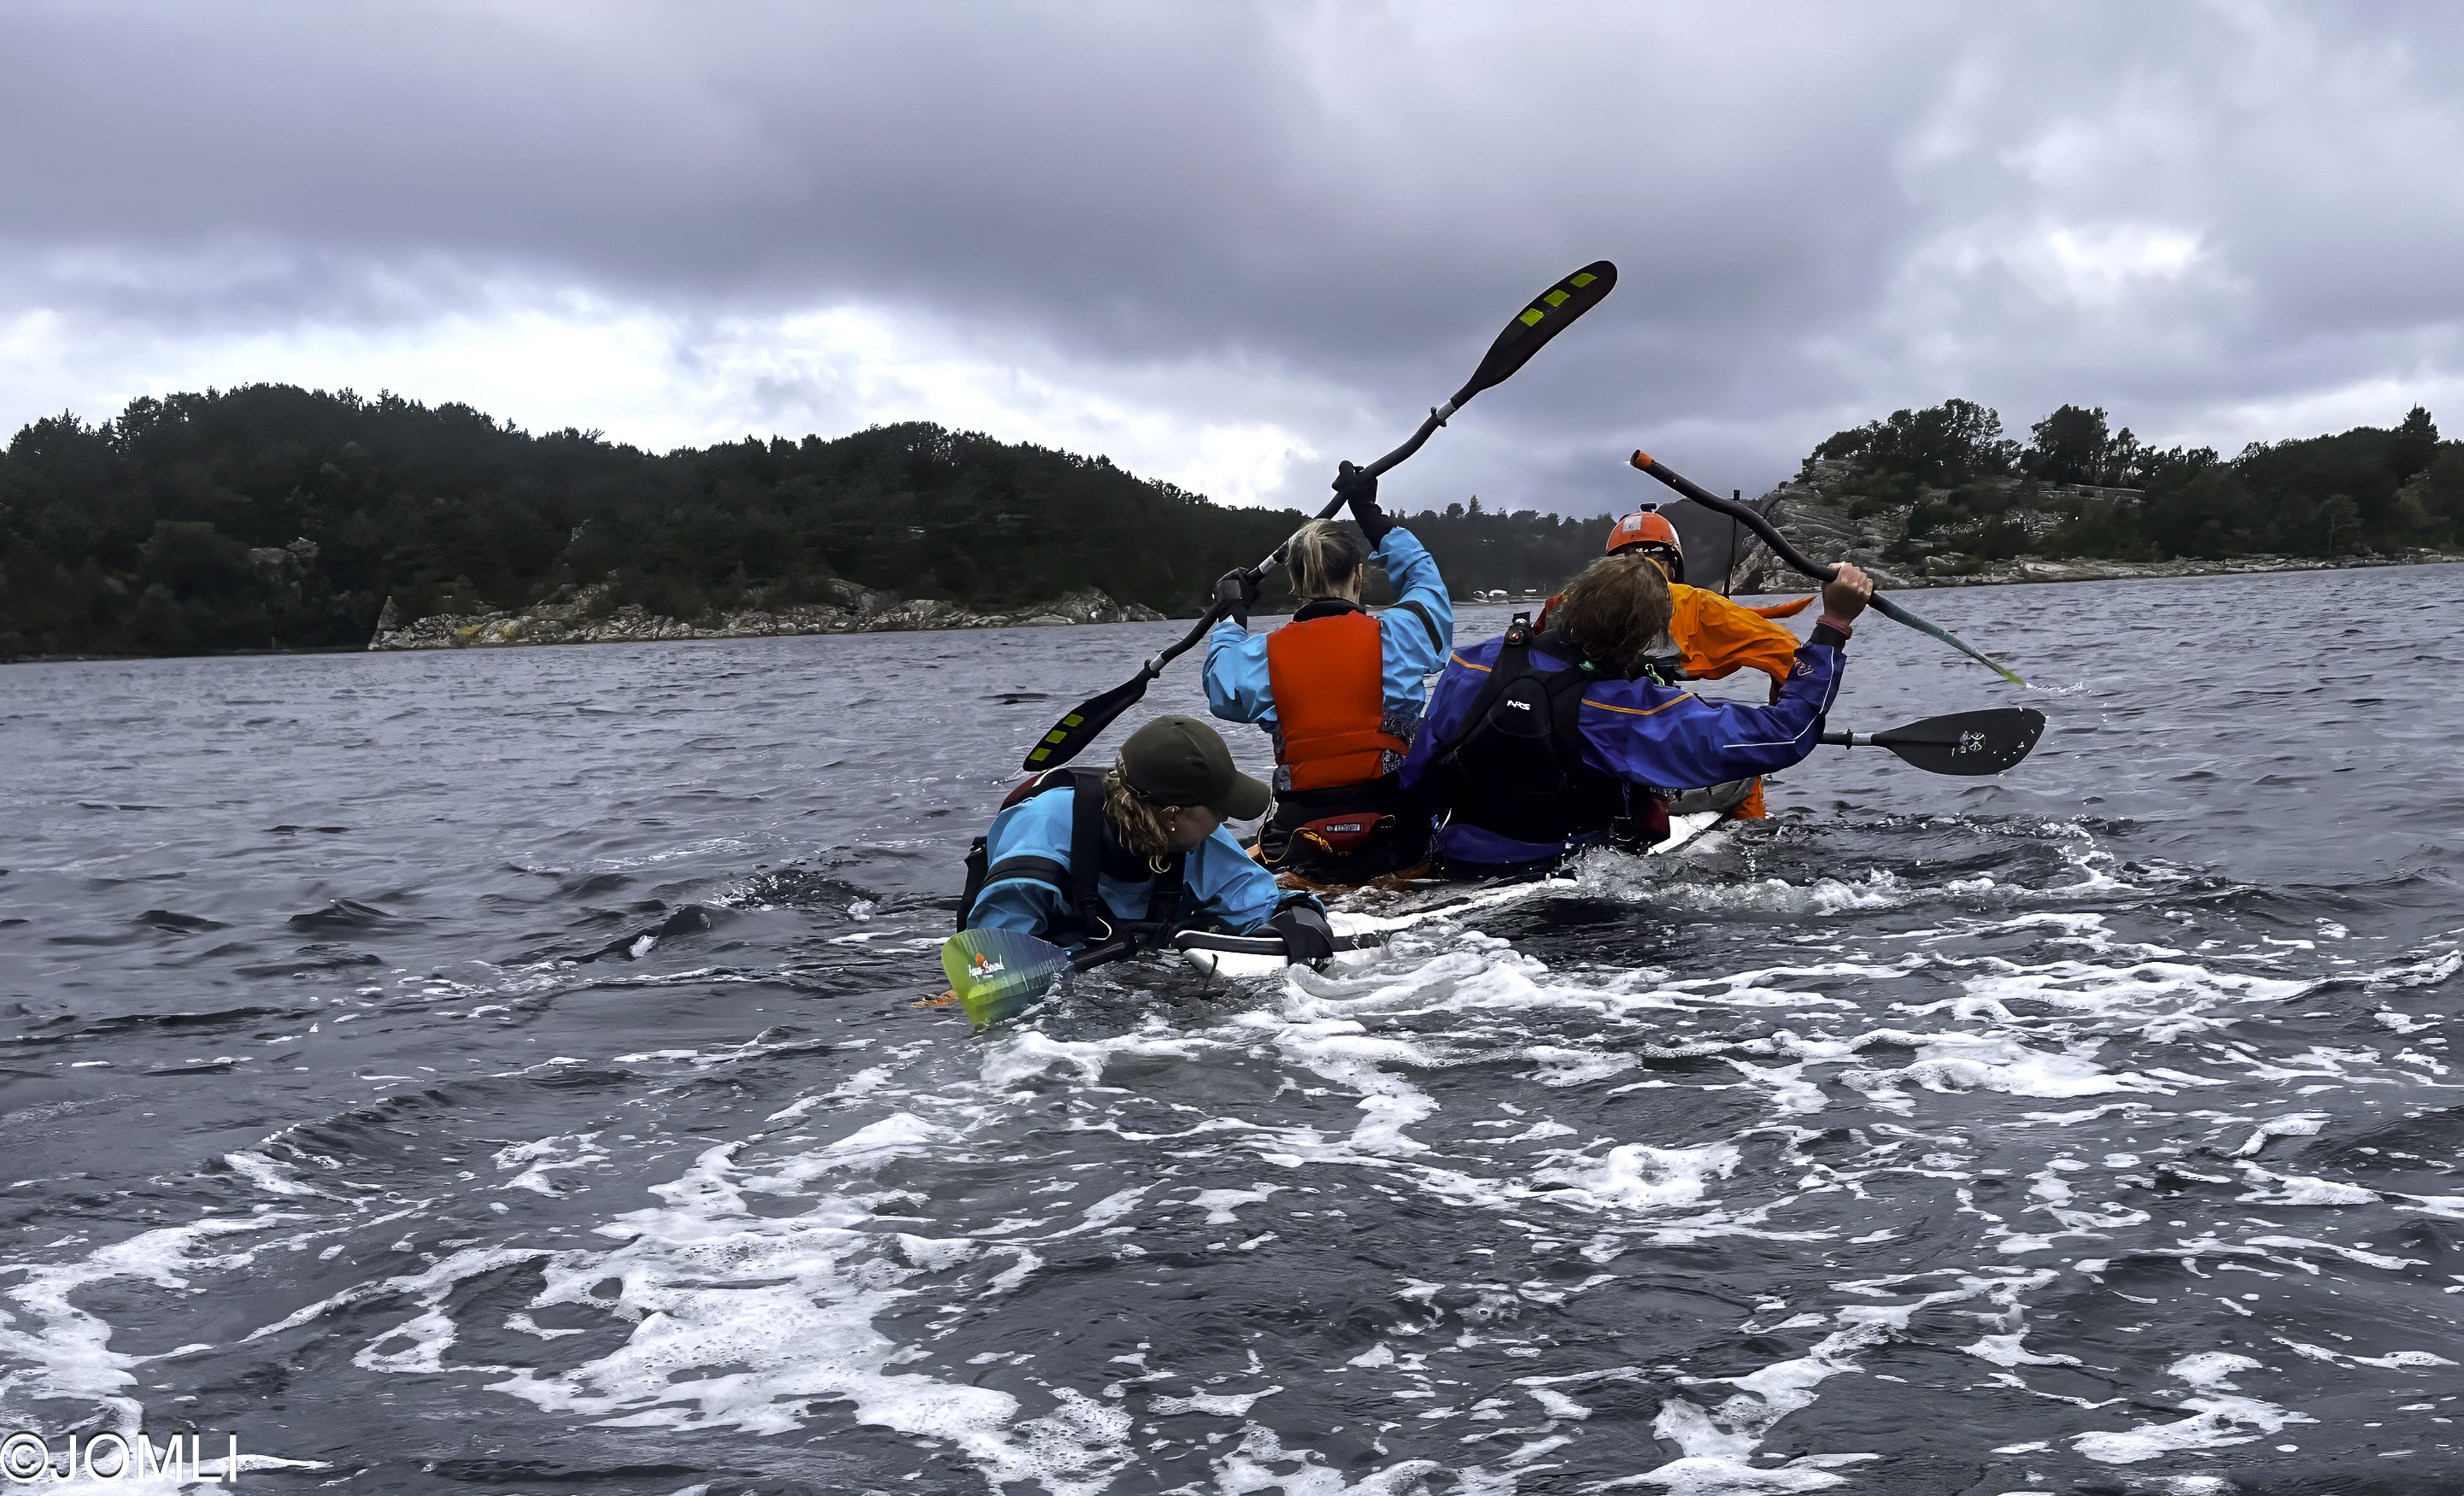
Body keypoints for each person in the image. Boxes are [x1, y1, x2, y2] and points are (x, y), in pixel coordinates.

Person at [1399, 551, 1874, 878]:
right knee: (1735, 781)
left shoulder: (1470, 663)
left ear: (1572, 602)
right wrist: (1833, 627)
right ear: (1643, 640)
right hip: (1563, 874)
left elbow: (1417, 775)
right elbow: (1787, 734)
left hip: (1452, 858)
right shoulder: (1629, 713)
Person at [1204, 470, 1452, 885]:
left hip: (1303, 836)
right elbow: (1426, 584)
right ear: (1359, 575)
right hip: (1396, 830)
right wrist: (1374, 520)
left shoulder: (1258, 656)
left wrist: (1231, 614)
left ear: (1297, 584)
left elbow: (1220, 684)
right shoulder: (1402, 633)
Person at [961, 714, 1335, 965]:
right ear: (1172, 814)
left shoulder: (1197, 840)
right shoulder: (1041, 843)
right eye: (1218, 811)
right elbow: (988, 964)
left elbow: (1263, 903)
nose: (1224, 821)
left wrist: (1301, 921)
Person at [1534, 507, 1816, 819]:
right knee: (1747, 773)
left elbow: (1533, 661)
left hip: (1560, 752)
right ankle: (1752, 833)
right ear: (1671, 564)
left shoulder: (1562, 602)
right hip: (1639, 749)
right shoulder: (1692, 602)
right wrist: (1777, 713)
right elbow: (1789, 654)